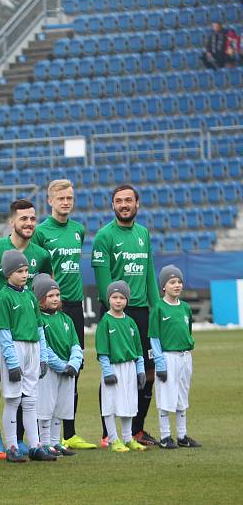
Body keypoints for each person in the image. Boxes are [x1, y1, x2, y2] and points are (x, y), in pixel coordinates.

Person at [0, 199, 52, 452]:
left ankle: (18, 438)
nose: (28, 223)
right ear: (12, 222)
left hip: (25, 332)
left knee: (24, 389)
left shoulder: (40, 254)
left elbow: (48, 282)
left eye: (32, 218)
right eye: (23, 219)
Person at [91, 184, 158, 446]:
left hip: (142, 312)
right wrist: (112, 311)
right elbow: (103, 279)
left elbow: (149, 272)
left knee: (147, 372)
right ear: (113, 205)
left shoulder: (144, 233)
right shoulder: (104, 236)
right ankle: (108, 433)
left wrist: (158, 307)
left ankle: (137, 430)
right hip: (116, 313)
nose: (124, 204)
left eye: (128, 200)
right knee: (114, 371)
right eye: (119, 201)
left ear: (137, 203)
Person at [31, 179, 94, 449]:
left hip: (74, 306)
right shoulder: (41, 232)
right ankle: (41, 434)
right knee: (46, 370)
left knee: (74, 366)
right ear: (50, 201)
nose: (66, 202)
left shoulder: (79, 230)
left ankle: (69, 432)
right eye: (61, 198)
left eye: (69, 198)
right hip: (49, 307)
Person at [0, 250, 55, 462]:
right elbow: (4, 333)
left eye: (26, 270)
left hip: (33, 349)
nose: (24, 274)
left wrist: (43, 356)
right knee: (13, 399)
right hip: (16, 349)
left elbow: (40, 329)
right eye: (19, 271)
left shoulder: (29, 295)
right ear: (8, 273)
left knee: (30, 400)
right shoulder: (3, 297)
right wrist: (11, 363)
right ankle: (11, 446)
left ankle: (36, 445)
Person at [150, 265, 201, 449]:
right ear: (164, 286)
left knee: (182, 395)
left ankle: (182, 435)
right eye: (172, 282)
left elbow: (188, 332)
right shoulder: (158, 308)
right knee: (166, 396)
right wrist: (160, 363)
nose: (177, 285)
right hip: (167, 357)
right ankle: (165, 437)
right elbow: (154, 338)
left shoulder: (185, 308)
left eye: (179, 281)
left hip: (185, 357)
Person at [33, 274, 82, 457]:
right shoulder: (39, 320)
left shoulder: (66, 319)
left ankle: (56, 442)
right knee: (46, 408)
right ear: (40, 299)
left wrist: (74, 364)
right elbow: (44, 348)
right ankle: (44, 443)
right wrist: (62, 366)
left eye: (57, 295)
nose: (55, 299)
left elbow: (76, 345)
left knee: (60, 408)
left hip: (68, 370)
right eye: (50, 295)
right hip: (50, 371)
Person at [95, 281, 146, 453]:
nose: (118, 301)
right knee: (110, 404)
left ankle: (127, 438)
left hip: (129, 368)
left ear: (127, 300)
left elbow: (138, 349)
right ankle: (113, 439)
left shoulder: (131, 322)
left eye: (122, 297)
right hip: (113, 368)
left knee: (129, 403)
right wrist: (107, 371)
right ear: (108, 299)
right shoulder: (105, 322)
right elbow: (102, 350)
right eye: (114, 297)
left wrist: (140, 370)